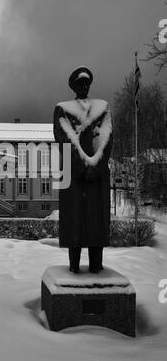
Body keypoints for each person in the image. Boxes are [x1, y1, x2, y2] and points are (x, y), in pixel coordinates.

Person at [53, 67, 113, 273]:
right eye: (80, 83)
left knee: (97, 220)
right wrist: (82, 165)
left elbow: (106, 137)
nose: (84, 86)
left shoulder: (103, 107)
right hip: (73, 173)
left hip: (98, 174)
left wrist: (97, 164)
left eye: (87, 82)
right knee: (74, 220)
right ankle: (74, 266)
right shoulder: (62, 109)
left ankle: (97, 265)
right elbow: (64, 138)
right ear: (73, 86)